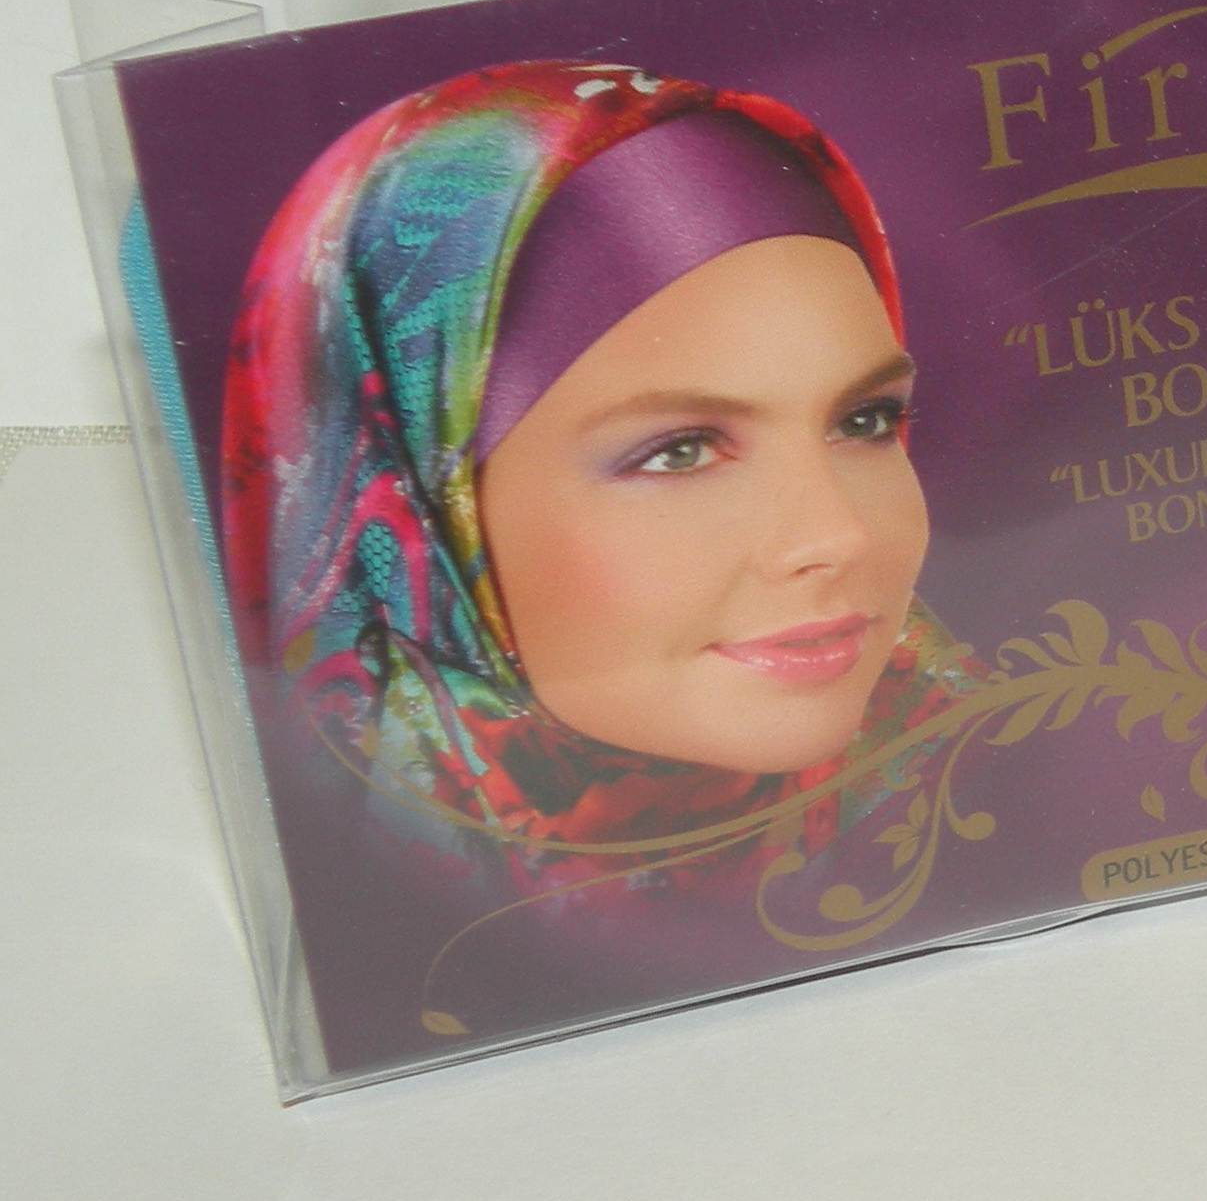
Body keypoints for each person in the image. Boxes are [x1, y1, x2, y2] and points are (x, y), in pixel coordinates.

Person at [221, 59, 977, 886]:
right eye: (680, 450)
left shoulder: (1003, 774)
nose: (838, 534)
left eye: (865, 421)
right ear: (420, 503)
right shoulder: (365, 895)